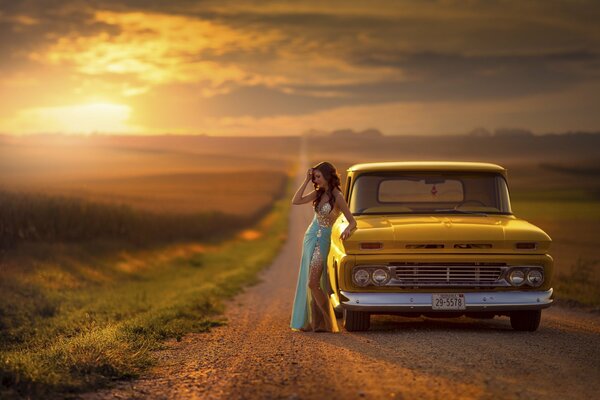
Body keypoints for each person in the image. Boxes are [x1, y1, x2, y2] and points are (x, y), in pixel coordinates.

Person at [290, 161, 357, 332]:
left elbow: (352, 221)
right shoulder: (318, 193)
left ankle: (327, 323)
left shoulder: (338, 197)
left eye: (318, 176)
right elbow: (296, 200)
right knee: (311, 280)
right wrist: (305, 181)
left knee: (314, 282)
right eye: (314, 177)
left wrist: (348, 230)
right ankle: (315, 324)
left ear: (328, 176)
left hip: (324, 240)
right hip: (310, 237)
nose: (316, 180)